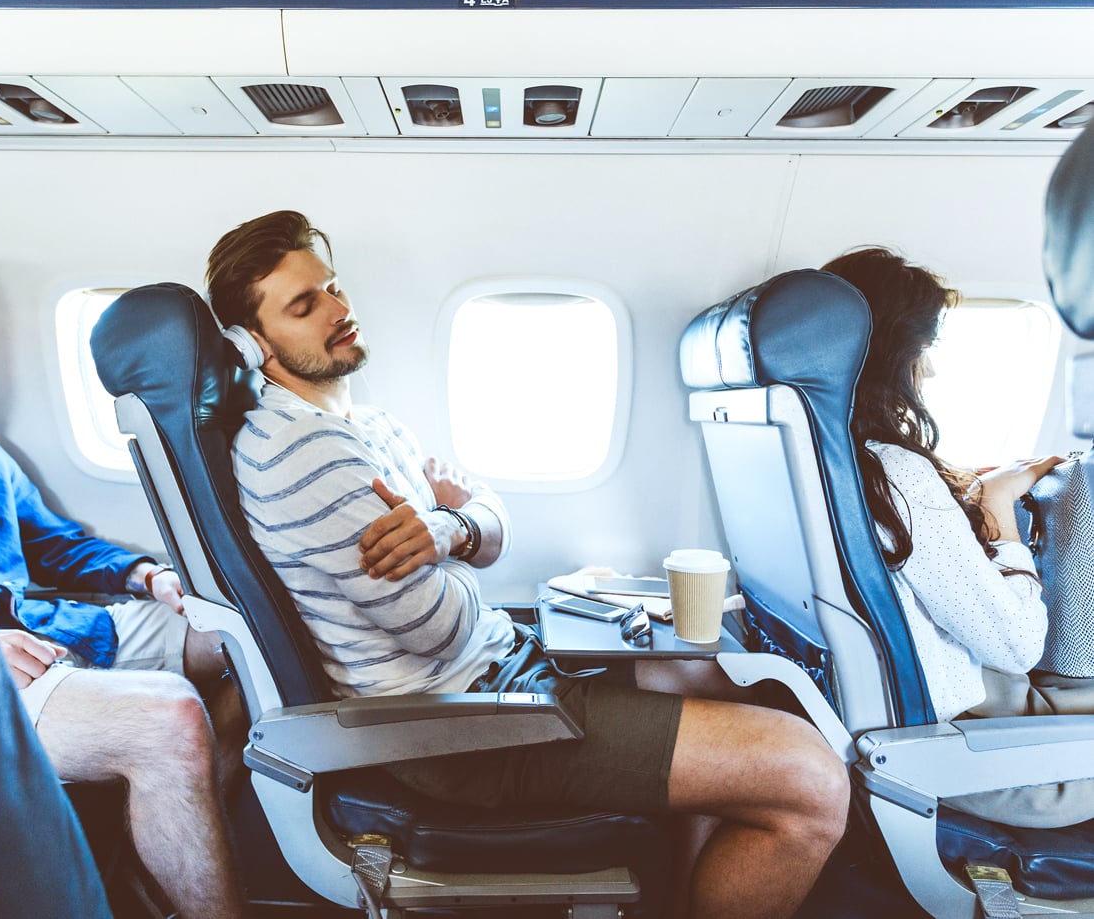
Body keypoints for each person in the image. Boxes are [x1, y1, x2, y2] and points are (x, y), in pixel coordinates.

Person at [206, 209, 849, 919]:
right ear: (252, 343)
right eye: (304, 305)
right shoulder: (304, 453)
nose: (339, 309)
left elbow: (488, 519)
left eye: (331, 288)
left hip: (499, 674)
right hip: (458, 728)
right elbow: (439, 629)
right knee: (811, 781)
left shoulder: (368, 425)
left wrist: (452, 529)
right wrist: (463, 531)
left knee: (697, 674)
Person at [0, 318, 247, 919]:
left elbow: (57, 546)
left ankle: (154, 863)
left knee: (248, 641)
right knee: (171, 714)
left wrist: (147, 575)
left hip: (63, 628)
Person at [822, 246, 1094, 827]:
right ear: (890, 356)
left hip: (945, 721)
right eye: (926, 350)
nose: (932, 369)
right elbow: (1018, 645)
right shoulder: (895, 472)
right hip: (988, 755)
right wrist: (997, 511)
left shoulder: (836, 460)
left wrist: (960, 496)